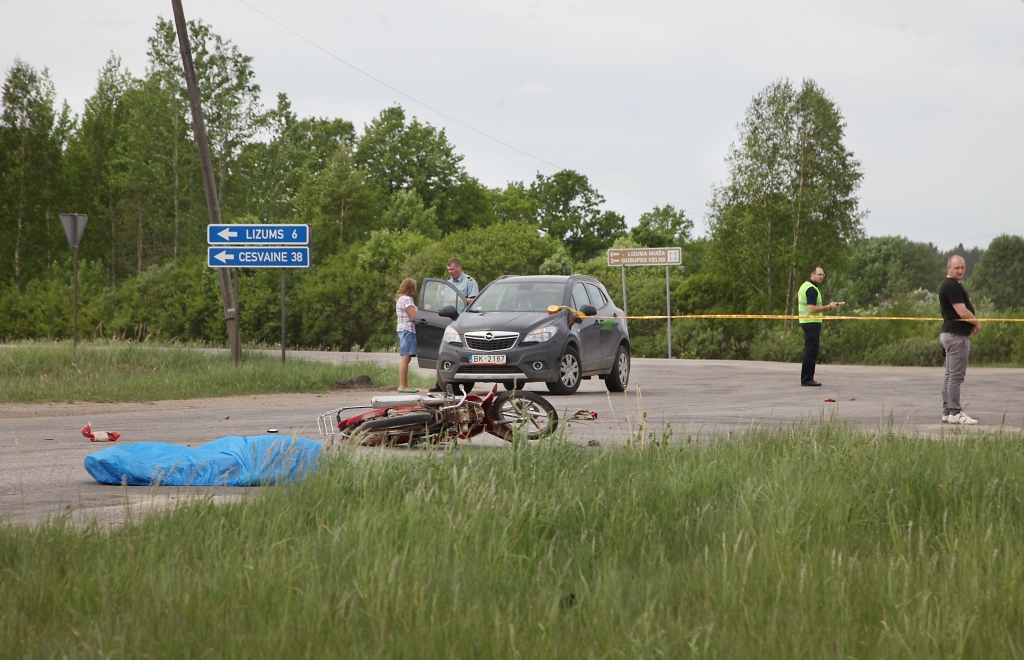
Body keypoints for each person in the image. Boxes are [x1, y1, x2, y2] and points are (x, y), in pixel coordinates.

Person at [939, 255, 981, 424]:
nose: (960, 271)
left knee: (950, 375)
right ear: (948, 268)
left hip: (951, 333)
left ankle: (948, 411)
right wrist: (976, 322)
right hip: (956, 336)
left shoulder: (952, 286)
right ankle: (955, 412)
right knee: (955, 376)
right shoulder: (951, 286)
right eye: (957, 268)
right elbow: (961, 311)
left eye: (962, 267)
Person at [797, 266, 844, 386]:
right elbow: (812, 308)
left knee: (810, 350)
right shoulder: (811, 289)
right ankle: (807, 379)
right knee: (811, 351)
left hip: (807, 321)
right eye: (819, 274)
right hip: (811, 322)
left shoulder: (805, 286)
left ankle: (807, 377)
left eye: (823, 275)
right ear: (812, 274)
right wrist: (829, 307)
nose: (822, 277)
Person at [395, 278, 419, 393]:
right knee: (406, 357)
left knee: (406, 357)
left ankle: (403, 384)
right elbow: (414, 316)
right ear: (411, 288)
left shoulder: (401, 299)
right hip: (408, 330)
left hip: (401, 329)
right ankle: (403, 385)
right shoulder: (407, 299)